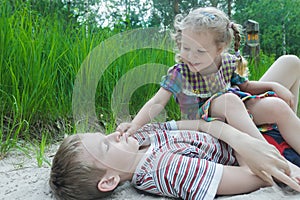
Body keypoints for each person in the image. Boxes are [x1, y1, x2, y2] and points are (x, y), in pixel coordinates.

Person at [117, 7, 300, 160]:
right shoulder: (180, 72)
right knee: (229, 99)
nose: (191, 56)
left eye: (200, 51)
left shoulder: (229, 62)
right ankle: (266, 153)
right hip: (205, 118)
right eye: (186, 48)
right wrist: (135, 125)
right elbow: (157, 102)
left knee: (277, 105)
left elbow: (244, 86)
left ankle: (288, 139)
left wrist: (273, 86)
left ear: (219, 49)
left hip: (237, 107)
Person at [49, 119, 300, 200]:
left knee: (290, 63)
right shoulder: (164, 169)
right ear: (108, 181)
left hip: (237, 128)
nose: (116, 134)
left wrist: (228, 130)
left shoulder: (140, 140)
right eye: (106, 145)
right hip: (260, 144)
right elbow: (251, 178)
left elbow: (197, 123)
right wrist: (240, 140)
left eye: (106, 135)